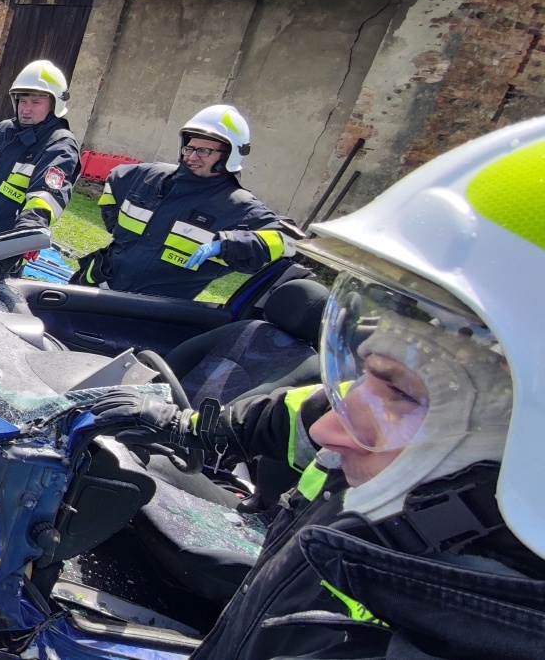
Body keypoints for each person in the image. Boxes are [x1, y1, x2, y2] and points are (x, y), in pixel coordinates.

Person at [93, 115, 545, 659]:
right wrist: (187, 427)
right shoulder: (429, 473)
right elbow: (300, 412)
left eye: (401, 392)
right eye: (368, 374)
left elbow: (274, 238)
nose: (332, 426)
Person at [74, 105, 294, 299]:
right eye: (189, 147)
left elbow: (292, 241)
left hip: (147, 313)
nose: (192, 156)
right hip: (91, 287)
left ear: (230, 155)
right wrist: (118, 228)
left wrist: (228, 245)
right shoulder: (150, 177)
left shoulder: (237, 207)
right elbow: (115, 180)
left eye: (204, 151)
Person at [0, 60, 80, 272]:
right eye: (22, 101)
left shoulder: (59, 146)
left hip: (8, 245)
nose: (26, 109)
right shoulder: (2, 130)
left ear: (54, 104)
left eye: (35, 102)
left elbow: (47, 196)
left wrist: (29, 229)